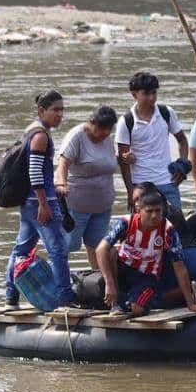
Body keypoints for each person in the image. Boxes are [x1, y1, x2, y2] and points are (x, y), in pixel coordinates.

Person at [4, 91, 76, 309]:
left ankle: (11, 294)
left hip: (28, 201)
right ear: (42, 110)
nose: (60, 115)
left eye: (62, 110)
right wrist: (44, 204)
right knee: (58, 250)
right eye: (56, 110)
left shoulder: (30, 131)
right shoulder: (41, 136)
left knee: (21, 249)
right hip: (39, 202)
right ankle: (65, 299)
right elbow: (35, 172)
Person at [96, 190, 196, 316]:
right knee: (110, 251)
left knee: (137, 309)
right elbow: (101, 249)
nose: (154, 216)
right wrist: (109, 283)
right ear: (139, 210)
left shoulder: (167, 229)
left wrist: (190, 304)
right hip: (123, 267)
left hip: (145, 275)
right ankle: (115, 305)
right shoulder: (126, 222)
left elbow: (179, 267)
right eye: (149, 211)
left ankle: (129, 302)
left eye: (158, 211)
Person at [55, 105, 119, 269]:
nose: (104, 134)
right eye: (101, 129)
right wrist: (62, 183)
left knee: (98, 247)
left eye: (108, 130)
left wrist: (124, 159)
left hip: (103, 206)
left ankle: (99, 282)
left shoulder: (107, 138)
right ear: (91, 122)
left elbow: (107, 162)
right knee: (65, 246)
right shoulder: (76, 136)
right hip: (76, 206)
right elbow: (62, 164)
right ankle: (58, 284)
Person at [116, 72, 189, 213]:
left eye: (154, 93)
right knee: (142, 231)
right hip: (141, 186)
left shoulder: (166, 113)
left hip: (168, 182)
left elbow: (182, 140)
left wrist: (182, 164)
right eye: (146, 93)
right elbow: (123, 161)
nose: (152, 98)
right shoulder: (126, 121)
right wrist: (130, 191)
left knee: (177, 227)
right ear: (134, 94)